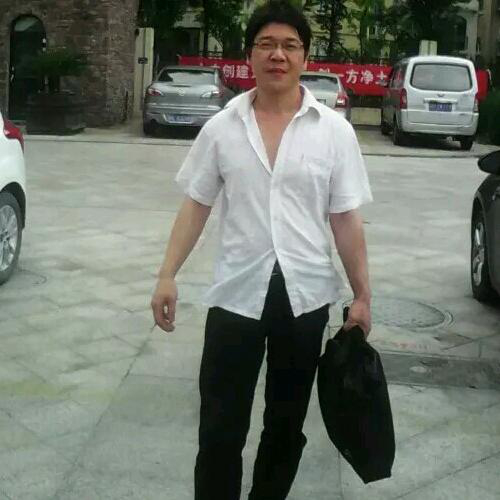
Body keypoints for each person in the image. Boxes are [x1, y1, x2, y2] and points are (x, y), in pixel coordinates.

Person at [151, 1, 373, 498]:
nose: (278, 55)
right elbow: (196, 205)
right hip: (236, 296)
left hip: (305, 300)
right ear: (250, 54)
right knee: (219, 427)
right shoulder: (222, 127)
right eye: (267, 44)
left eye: (290, 46)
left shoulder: (334, 131)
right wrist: (167, 274)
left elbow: (345, 218)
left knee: (286, 426)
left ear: (305, 56)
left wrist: (362, 295)